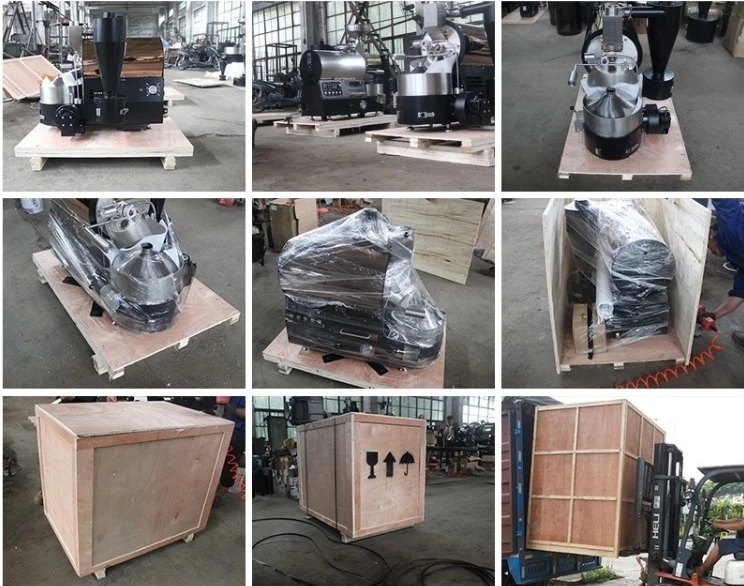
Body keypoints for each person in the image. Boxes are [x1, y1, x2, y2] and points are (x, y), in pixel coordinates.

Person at [705, 199, 744, 348]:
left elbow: (726, 201)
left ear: (711, 234)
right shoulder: (737, 257)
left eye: (707, 245)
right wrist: (714, 315)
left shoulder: (732, 230)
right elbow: (738, 295)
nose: (711, 252)